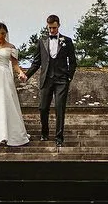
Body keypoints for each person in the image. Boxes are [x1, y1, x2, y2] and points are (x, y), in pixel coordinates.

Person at [26, 13, 77, 145]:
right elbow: (36, 62)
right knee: (43, 108)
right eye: (50, 28)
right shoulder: (41, 41)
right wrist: (26, 75)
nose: (52, 30)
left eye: (54, 27)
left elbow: (73, 62)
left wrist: (68, 77)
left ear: (58, 25)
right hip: (46, 79)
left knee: (60, 108)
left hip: (61, 80)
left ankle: (59, 138)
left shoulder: (67, 41)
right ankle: (44, 133)